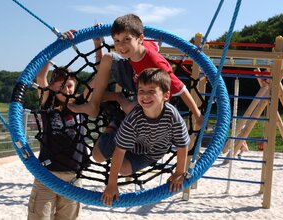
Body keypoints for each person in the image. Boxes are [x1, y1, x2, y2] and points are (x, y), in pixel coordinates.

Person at [67, 13, 203, 128]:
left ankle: (119, 99)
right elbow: (101, 69)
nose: (121, 46)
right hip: (134, 80)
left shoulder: (155, 63)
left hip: (153, 95)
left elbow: (181, 88)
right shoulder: (135, 49)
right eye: (117, 40)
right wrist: (98, 38)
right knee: (105, 63)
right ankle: (93, 105)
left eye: (127, 39)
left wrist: (197, 115)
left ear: (140, 39)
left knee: (130, 108)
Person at [27, 32, 102, 220]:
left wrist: (97, 43)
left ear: (75, 86)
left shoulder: (81, 105)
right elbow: (41, 75)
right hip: (46, 175)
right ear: (53, 88)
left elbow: (100, 76)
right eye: (61, 86)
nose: (66, 89)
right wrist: (58, 44)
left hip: (73, 177)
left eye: (69, 85)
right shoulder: (47, 104)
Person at [95, 68, 190, 206]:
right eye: (141, 91)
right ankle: (113, 124)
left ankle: (117, 122)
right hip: (128, 140)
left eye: (151, 91)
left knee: (124, 170)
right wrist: (111, 185)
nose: (145, 96)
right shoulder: (134, 118)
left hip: (150, 152)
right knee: (97, 156)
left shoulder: (172, 116)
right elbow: (119, 151)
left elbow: (182, 144)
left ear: (166, 95)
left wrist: (179, 172)